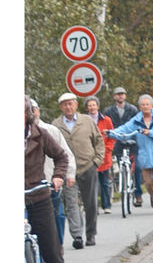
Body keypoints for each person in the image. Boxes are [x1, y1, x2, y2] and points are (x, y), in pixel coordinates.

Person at [25, 97, 74, 263]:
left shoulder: (40, 133)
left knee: (52, 251)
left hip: (38, 196)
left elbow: (62, 157)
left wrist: (58, 177)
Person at [53, 92, 105, 248]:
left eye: (71, 104)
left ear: (76, 105)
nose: (68, 107)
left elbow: (99, 141)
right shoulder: (56, 125)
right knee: (70, 204)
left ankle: (90, 234)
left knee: (90, 203)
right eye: (65, 104)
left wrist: (97, 161)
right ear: (61, 107)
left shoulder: (87, 121)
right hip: (68, 170)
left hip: (87, 166)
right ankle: (77, 236)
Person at [108, 95, 153, 214]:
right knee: (148, 183)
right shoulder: (136, 120)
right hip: (144, 156)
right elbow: (125, 129)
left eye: (147, 104)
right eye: (142, 105)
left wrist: (150, 132)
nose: (145, 107)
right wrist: (111, 133)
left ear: (151, 106)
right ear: (139, 107)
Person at [31, 98, 75, 247]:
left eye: (33, 110)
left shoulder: (50, 130)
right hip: (30, 186)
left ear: (37, 111)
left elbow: (65, 154)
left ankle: (58, 245)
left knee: (57, 214)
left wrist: (68, 174)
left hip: (50, 180)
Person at [105, 86, 144, 206]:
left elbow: (138, 124)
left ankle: (138, 194)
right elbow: (108, 125)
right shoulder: (109, 111)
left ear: (125, 96)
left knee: (137, 167)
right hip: (118, 143)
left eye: (122, 94)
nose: (120, 96)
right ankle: (123, 187)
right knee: (121, 165)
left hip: (132, 142)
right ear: (114, 97)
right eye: (118, 94)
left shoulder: (132, 109)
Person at [85, 96, 114, 213]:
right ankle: (94, 206)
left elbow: (111, 136)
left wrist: (107, 149)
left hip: (104, 156)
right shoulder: (84, 120)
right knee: (92, 183)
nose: (92, 107)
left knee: (105, 182)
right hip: (89, 156)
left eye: (94, 105)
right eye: (89, 105)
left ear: (97, 106)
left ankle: (106, 205)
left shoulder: (106, 120)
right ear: (87, 107)